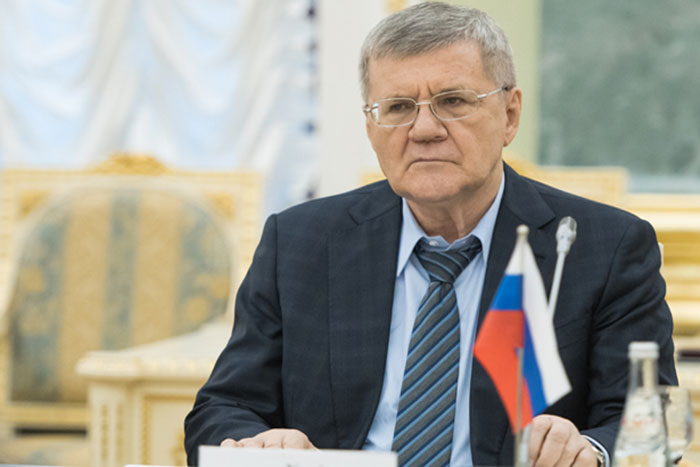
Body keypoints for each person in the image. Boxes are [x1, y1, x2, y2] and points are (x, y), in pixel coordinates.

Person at [184, 3, 676, 466]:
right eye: (398, 107)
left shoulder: (602, 247)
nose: (424, 129)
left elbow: (648, 421)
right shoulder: (301, 243)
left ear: (509, 115)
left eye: (452, 101)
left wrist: (589, 449)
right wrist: (261, 443)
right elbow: (223, 409)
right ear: (371, 127)